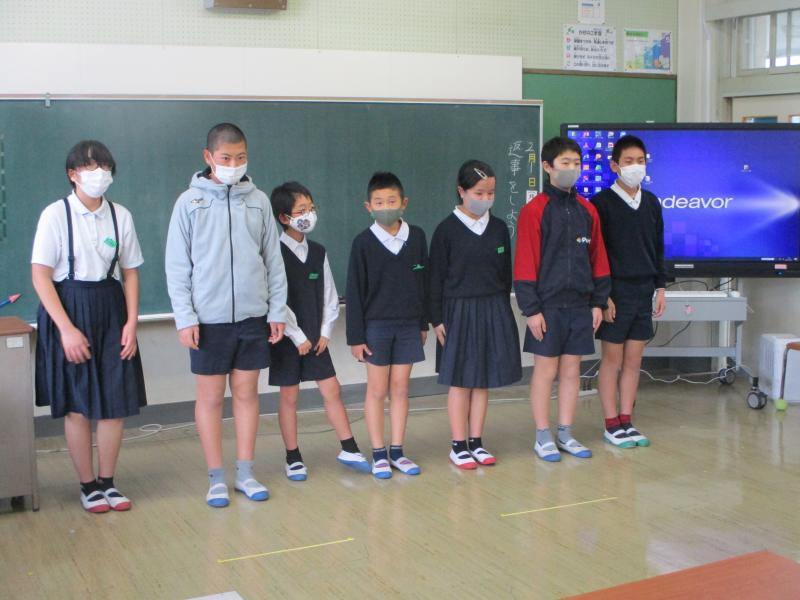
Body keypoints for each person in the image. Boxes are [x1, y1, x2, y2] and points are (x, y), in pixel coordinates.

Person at [165, 123, 287, 507]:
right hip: (208, 320)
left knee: (248, 395)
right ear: (208, 157)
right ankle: (216, 477)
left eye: (240, 158)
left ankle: (245, 473)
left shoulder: (259, 201)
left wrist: (276, 310)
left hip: (252, 316)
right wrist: (185, 317)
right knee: (211, 399)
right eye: (225, 158)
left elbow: (273, 260)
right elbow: (177, 266)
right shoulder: (189, 202)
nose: (234, 165)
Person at [32, 140, 146, 512]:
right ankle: (87, 485)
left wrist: (131, 322)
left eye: (105, 167)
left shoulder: (120, 215)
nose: (100, 174)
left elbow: (130, 273)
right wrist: (66, 329)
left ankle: (108, 482)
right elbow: (40, 276)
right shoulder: (55, 214)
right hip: (68, 306)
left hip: (111, 307)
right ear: (73, 174)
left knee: (114, 402)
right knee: (78, 405)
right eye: (92, 167)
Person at [513, 136, 611, 462]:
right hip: (547, 307)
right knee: (546, 371)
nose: (572, 168)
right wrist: (531, 309)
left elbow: (598, 259)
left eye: (576, 163)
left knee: (572, 372)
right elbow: (525, 261)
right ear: (547, 166)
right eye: (565, 163)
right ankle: (542, 435)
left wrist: (598, 302)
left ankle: (566, 433)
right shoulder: (534, 211)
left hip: (580, 306)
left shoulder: (588, 210)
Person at [268, 181, 370, 481]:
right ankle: (292, 457)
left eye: (311, 208)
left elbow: (329, 295)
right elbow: (275, 299)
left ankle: (349, 448)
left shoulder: (318, 251)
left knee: (332, 389)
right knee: (289, 397)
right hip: (287, 338)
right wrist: (297, 336)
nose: (309, 215)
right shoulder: (273, 252)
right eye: (301, 210)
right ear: (284, 217)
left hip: (316, 338)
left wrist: (324, 332)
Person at [428, 160, 521, 470]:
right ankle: (458, 445)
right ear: (462, 191)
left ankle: (476, 441)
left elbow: (504, 275)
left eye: (491, 193)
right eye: (479, 193)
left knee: (482, 380)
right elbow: (435, 279)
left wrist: (501, 312)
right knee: (460, 380)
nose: (485, 198)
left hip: (492, 307)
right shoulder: (446, 230)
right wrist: (437, 318)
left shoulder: (498, 228)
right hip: (458, 310)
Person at [345, 172, 428, 479]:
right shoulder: (363, 243)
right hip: (376, 326)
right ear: (368, 207)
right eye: (379, 203)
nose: (385, 207)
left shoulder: (416, 237)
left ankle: (397, 451)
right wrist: (356, 337)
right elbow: (355, 293)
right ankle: (379, 453)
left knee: (401, 388)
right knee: (377, 389)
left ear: (404, 203)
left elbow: (423, 282)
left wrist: (423, 323)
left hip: (408, 325)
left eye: (391, 201)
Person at [592, 135, 666, 448]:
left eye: (640, 161)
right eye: (628, 161)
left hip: (643, 290)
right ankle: (611, 423)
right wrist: (603, 295)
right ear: (614, 166)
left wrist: (660, 286)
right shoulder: (601, 204)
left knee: (634, 360)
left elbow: (658, 247)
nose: (636, 166)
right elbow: (596, 254)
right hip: (615, 293)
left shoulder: (651, 202)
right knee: (612, 360)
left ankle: (627, 420)